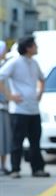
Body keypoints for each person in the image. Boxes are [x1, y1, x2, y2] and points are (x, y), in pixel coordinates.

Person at [0, 36, 49, 179]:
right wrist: (9, 96)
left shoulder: (34, 63)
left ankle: (37, 169)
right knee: (17, 141)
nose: (37, 47)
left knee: (35, 141)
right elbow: (1, 77)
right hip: (19, 109)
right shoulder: (15, 62)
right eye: (35, 45)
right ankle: (15, 169)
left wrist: (40, 93)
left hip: (33, 108)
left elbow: (42, 79)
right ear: (28, 47)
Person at [0, 41, 13, 174]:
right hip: (2, 106)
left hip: (4, 106)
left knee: (4, 137)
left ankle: (3, 165)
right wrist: (9, 97)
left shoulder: (6, 64)